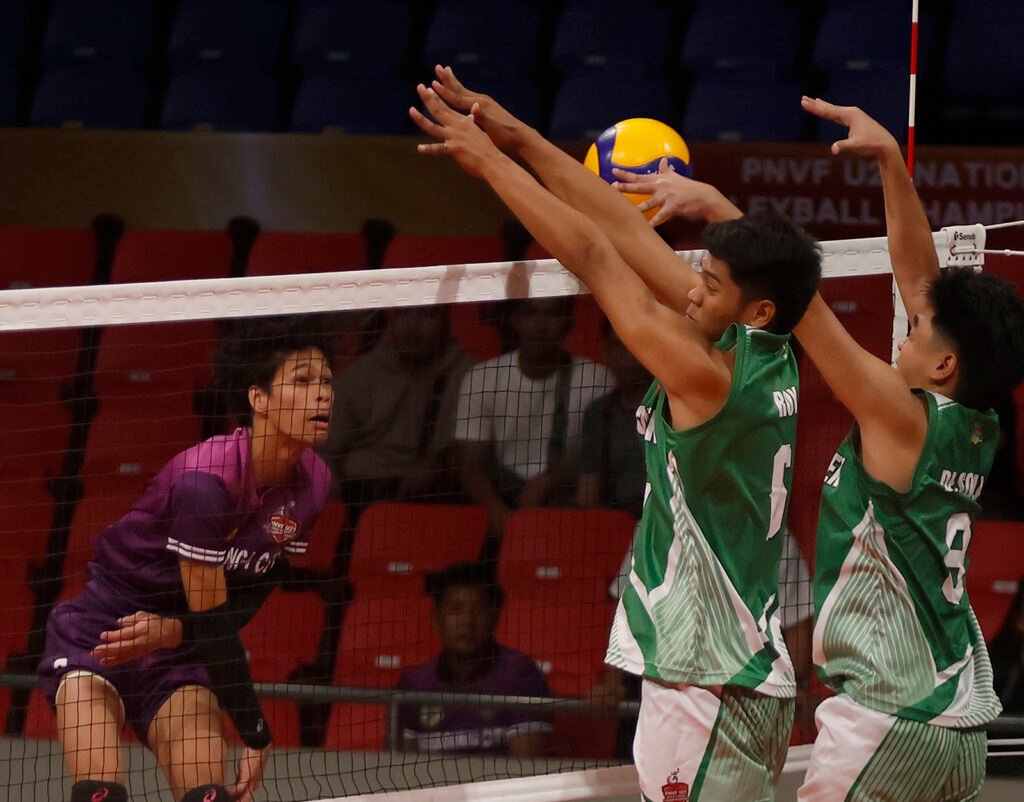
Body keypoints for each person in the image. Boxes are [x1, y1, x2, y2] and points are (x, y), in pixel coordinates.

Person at [411, 65, 821, 801]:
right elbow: (629, 230)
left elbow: (599, 255)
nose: (692, 284)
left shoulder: (705, 376)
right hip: (748, 674)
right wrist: (524, 134)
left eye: (712, 283)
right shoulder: (769, 348)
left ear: (752, 307)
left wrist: (489, 163)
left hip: (703, 678)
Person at [619, 98, 1024, 801]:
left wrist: (723, 213)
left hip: (887, 723)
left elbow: (800, 309)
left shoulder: (900, 417)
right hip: (956, 731)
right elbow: (921, 273)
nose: (909, 322)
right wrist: (891, 162)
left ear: (943, 366)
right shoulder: (980, 421)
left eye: (921, 328)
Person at [37, 315, 335, 802]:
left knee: (207, 796)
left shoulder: (314, 483)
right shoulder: (207, 483)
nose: (322, 394)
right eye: (302, 381)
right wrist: (255, 729)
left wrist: (174, 632)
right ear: (258, 399)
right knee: (100, 794)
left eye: (326, 381)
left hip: (180, 652)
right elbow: (215, 620)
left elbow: (253, 593)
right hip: (104, 633)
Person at [454, 296, 613, 541]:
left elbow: (602, 460)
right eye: (530, 314)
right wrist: (499, 514)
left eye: (552, 314)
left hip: (567, 504)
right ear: (514, 320)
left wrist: (550, 480)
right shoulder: (482, 378)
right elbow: (471, 466)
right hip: (502, 502)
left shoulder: (596, 379)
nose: (540, 325)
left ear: (570, 322)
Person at [323, 304, 474, 519]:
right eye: (403, 313)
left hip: (440, 500)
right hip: (360, 499)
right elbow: (323, 450)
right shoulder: (360, 375)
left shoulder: (471, 377)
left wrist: (441, 464)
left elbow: (477, 457)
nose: (412, 326)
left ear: (445, 321)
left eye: (427, 314)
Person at [396, 561, 552, 756]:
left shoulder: (520, 674)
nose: (467, 621)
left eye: (478, 609)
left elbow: (527, 768)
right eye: (455, 609)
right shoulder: (414, 683)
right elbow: (402, 767)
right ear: (436, 618)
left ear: (494, 617)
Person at [575, 320, 651, 519]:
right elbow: (587, 493)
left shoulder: (675, 407)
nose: (626, 354)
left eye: (633, 343)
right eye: (618, 345)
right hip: (616, 525)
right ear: (607, 351)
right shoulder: (598, 413)